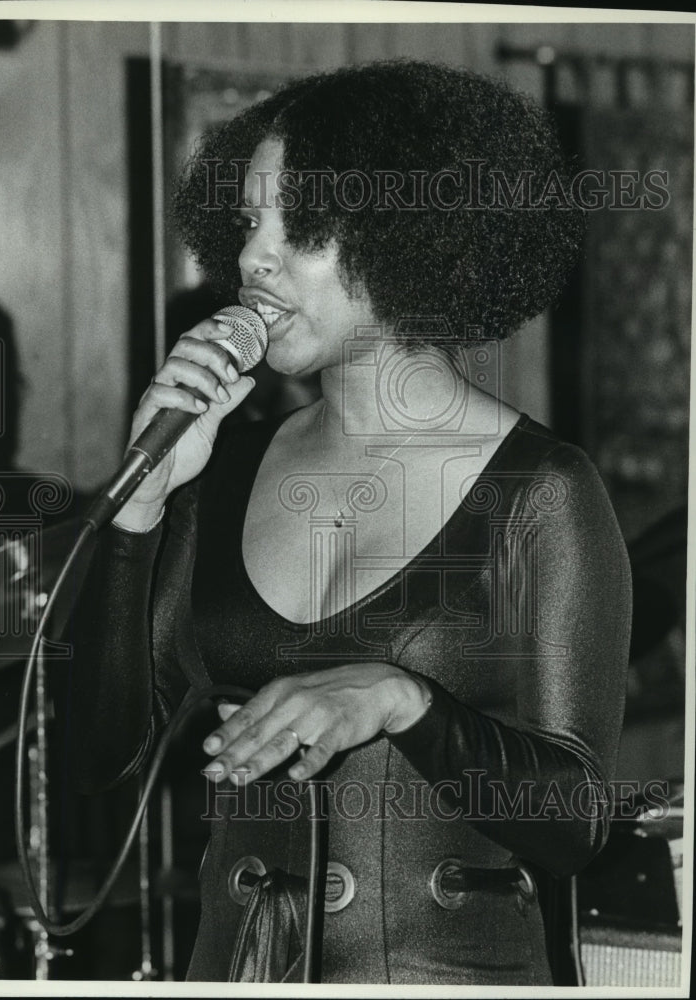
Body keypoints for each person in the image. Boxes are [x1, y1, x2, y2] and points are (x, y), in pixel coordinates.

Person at [65, 60, 631, 985]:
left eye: (304, 226)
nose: (253, 258)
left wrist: (402, 700)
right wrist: (140, 511)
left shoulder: (540, 491)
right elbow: (96, 760)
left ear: (411, 238)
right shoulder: (225, 468)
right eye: (250, 221)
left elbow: (573, 824)